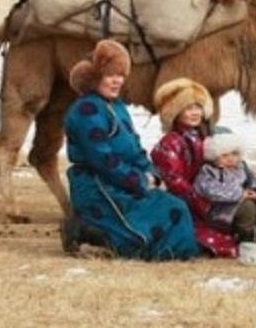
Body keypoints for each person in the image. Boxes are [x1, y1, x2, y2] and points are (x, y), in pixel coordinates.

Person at [61, 40, 199, 260]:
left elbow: (135, 148)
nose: (117, 80)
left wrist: (152, 173)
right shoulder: (86, 109)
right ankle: (86, 234)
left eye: (121, 75)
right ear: (95, 76)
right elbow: (102, 159)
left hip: (124, 184)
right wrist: (139, 181)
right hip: (99, 187)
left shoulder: (117, 106)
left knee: (175, 207)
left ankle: (176, 252)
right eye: (110, 74)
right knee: (136, 239)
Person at [149, 77, 238, 257]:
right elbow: (175, 180)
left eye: (198, 107)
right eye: (188, 108)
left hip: (209, 195)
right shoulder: (169, 143)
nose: (195, 112)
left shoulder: (205, 137)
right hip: (187, 202)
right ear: (174, 112)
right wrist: (201, 202)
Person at [193, 132, 256, 256]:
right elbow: (210, 191)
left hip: (245, 202)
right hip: (222, 210)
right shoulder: (209, 171)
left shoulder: (242, 167)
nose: (230, 158)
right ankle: (246, 242)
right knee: (247, 207)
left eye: (234, 154)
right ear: (214, 156)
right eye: (225, 155)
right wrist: (240, 194)